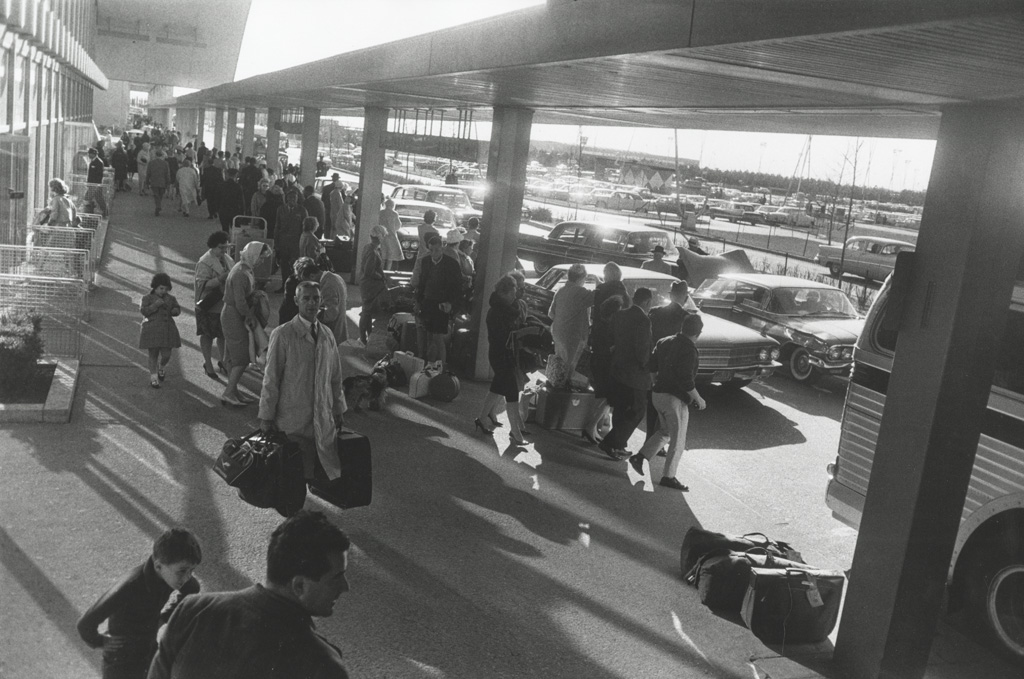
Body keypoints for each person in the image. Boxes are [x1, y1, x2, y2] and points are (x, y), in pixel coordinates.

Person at [148, 511, 349, 679]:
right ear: (299, 586)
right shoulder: (322, 665)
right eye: (337, 577)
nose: (345, 587)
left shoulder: (193, 609)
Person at [78, 529, 202, 679]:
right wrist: (100, 641)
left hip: (148, 648)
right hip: (121, 658)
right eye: (182, 571)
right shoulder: (130, 586)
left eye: (192, 570)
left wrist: (165, 616)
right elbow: (86, 623)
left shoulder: (172, 576)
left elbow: (193, 588)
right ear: (158, 566)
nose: (187, 577)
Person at [259, 283, 347, 480]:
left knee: (316, 467)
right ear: (296, 301)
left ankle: (304, 506)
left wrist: (339, 408)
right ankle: (297, 507)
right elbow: (271, 378)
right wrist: (266, 416)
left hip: (321, 417)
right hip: (292, 419)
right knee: (292, 470)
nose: (311, 303)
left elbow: (335, 376)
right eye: (306, 298)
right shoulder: (283, 334)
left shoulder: (326, 335)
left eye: (315, 298)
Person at [628, 313, 706, 491]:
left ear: (682, 327)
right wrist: (698, 398)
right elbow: (686, 380)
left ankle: (640, 457)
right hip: (674, 400)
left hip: (657, 394)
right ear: (698, 333)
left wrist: (657, 382)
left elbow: (652, 367)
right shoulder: (690, 350)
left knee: (664, 431)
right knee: (678, 440)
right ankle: (669, 476)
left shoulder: (664, 341)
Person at [599, 287, 654, 461]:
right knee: (637, 411)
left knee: (621, 409)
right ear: (646, 301)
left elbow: (612, 337)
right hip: (634, 374)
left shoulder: (620, 315)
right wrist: (647, 366)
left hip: (618, 369)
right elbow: (642, 349)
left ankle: (618, 446)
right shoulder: (643, 320)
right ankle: (612, 442)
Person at [475, 275, 529, 443]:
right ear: (503, 293)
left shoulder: (501, 308)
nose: (516, 295)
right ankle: (515, 431)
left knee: (497, 387)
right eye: (513, 292)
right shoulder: (498, 312)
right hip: (502, 355)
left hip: (501, 354)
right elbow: (501, 337)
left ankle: (482, 418)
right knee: (511, 393)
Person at [219, 241, 272, 407]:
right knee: (241, 357)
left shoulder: (243, 268)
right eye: (260, 257)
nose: (261, 261)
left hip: (233, 313)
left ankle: (233, 390)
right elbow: (240, 301)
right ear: (254, 255)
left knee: (234, 355)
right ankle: (229, 392)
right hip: (235, 315)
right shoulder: (241, 273)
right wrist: (250, 317)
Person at [646, 280, 699, 440]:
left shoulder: (654, 312)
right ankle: (658, 442)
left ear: (670, 295)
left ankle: (650, 438)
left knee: (652, 407)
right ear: (685, 297)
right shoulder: (686, 317)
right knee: (668, 412)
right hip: (673, 368)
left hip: (654, 362)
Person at [415, 233, 463, 369]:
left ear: (442, 248)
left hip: (442, 304)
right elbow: (422, 283)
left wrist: (451, 304)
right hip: (427, 302)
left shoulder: (451, 264)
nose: (433, 253)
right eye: (431, 250)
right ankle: (431, 364)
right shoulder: (425, 262)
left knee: (437, 336)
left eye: (436, 250)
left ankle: (442, 365)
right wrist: (418, 302)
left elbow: (457, 287)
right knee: (429, 334)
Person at [194, 231, 233, 381]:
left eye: (226, 247)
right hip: (208, 304)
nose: (224, 250)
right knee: (207, 334)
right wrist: (220, 279)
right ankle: (208, 363)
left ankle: (223, 361)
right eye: (221, 247)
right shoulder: (204, 262)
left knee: (223, 334)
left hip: (223, 303)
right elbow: (202, 285)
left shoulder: (227, 258)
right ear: (213, 246)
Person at [548, 263, 594, 389]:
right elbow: (599, 296)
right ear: (581, 278)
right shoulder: (581, 292)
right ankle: (566, 397)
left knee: (560, 367)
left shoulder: (560, 291)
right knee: (570, 371)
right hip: (574, 337)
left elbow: (551, 314)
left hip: (558, 335)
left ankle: (556, 390)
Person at [139, 273, 182, 389]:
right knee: (153, 354)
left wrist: (175, 311)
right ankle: (153, 377)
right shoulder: (147, 298)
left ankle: (161, 366)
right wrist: (155, 306)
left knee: (166, 354)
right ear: (155, 287)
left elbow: (177, 308)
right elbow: (144, 311)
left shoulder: (171, 299)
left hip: (167, 329)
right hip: (152, 329)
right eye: (161, 288)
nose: (163, 291)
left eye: (166, 289)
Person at [358, 225, 390, 344]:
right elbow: (369, 271)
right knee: (366, 311)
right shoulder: (373, 251)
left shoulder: (369, 247)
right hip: (370, 285)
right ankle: (363, 338)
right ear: (380, 237)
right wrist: (381, 277)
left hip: (366, 283)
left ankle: (367, 336)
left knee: (368, 311)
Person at [378, 197, 404, 269]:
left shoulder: (381, 213)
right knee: (390, 256)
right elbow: (398, 225)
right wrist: (393, 230)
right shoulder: (394, 214)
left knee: (382, 255)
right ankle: (387, 271)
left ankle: (381, 269)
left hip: (382, 235)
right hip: (391, 236)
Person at [218, 168, 246, 233]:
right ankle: (234, 242)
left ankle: (226, 241)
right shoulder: (238, 186)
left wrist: (218, 209)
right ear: (236, 175)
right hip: (234, 211)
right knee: (236, 229)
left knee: (225, 229)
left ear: (227, 174)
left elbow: (217, 198)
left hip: (223, 210)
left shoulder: (222, 185)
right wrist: (242, 211)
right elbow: (241, 200)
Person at [86, 147, 110, 217]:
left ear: (94, 154)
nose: (88, 155)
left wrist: (97, 185)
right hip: (92, 184)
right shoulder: (93, 161)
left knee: (92, 198)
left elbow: (99, 175)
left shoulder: (98, 162)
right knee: (97, 198)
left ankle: (103, 211)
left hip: (95, 185)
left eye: (90, 154)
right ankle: (93, 211)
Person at [146, 150, 171, 217]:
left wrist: (147, 182)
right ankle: (158, 205)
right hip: (163, 182)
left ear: (155, 155)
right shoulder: (165, 163)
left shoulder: (151, 163)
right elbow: (167, 174)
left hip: (154, 181)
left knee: (156, 195)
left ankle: (158, 206)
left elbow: (148, 173)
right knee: (160, 195)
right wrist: (168, 182)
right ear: (162, 156)